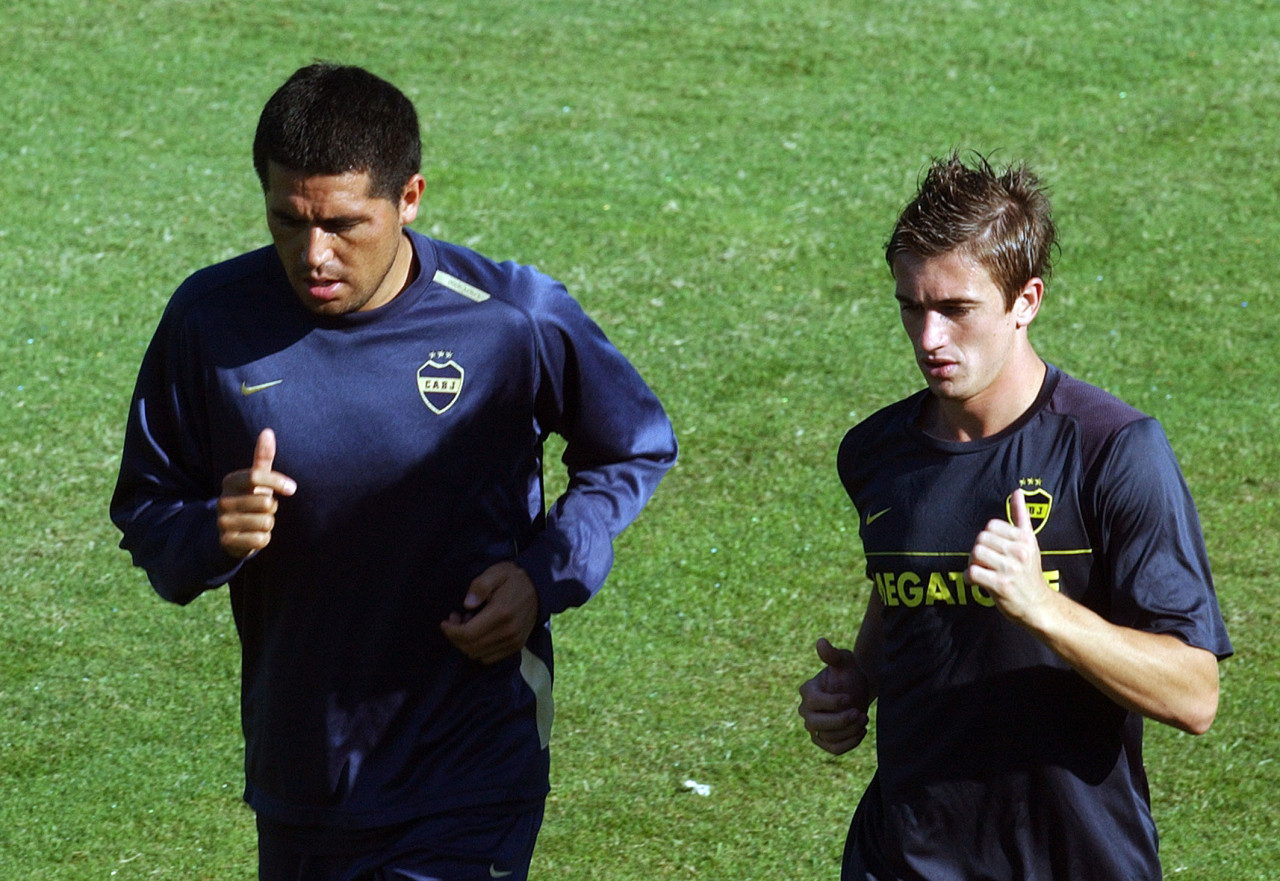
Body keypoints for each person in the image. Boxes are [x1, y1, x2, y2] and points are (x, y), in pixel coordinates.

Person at [110, 62, 677, 880]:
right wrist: (209, 530)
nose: (314, 254)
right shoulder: (210, 320)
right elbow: (147, 510)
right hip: (302, 775)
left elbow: (634, 444)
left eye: (344, 223)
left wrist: (543, 574)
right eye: (287, 221)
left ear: (408, 198)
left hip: (469, 763)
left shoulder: (511, 318)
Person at [798, 152, 1232, 880]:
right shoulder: (876, 453)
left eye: (956, 309)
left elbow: (1194, 692)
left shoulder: (1112, 450)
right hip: (901, 856)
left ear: (1026, 299)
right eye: (912, 306)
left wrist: (1045, 609)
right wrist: (858, 683)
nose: (929, 338)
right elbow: (906, 580)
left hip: (1076, 857)